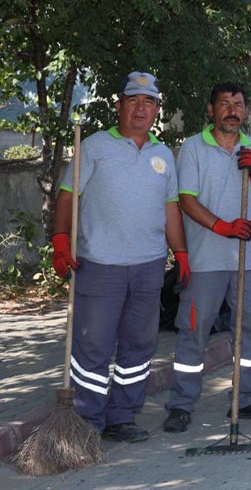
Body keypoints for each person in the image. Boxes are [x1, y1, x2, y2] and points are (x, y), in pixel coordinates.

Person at [50, 71, 188, 443]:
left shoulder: (163, 155)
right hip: (100, 265)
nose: (141, 108)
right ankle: (86, 420)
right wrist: (61, 240)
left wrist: (181, 253)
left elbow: (171, 208)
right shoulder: (94, 147)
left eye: (149, 102)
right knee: (92, 345)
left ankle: (122, 416)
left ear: (157, 110)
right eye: (133, 101)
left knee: (139, 345)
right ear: (119, 106)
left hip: (149, 266)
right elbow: (67, 196)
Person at [162, 82, 251, 433]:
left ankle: (248, 397)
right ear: (211, 109)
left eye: (239, 104)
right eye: (225, 103)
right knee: (193, 331)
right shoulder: (193, 148)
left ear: (246, 110)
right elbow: (186, 200)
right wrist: (222, 226)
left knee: (250, 331)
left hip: (249, 259)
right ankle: (181, 404)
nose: (232, 110)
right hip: (206, 259)